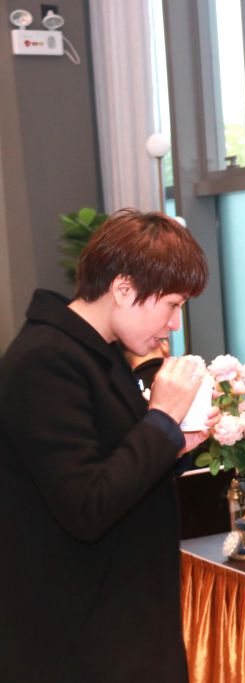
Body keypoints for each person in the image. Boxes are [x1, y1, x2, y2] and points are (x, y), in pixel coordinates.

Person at [0, 209, 212, 682]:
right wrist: (161, 419)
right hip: (79, 640)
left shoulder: (99, 353)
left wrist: (174, 444)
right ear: (123, 290)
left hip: (120, 621)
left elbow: (115, 466)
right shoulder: (45, 361)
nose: (174, 324)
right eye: (172, 304)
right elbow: (88, 505)